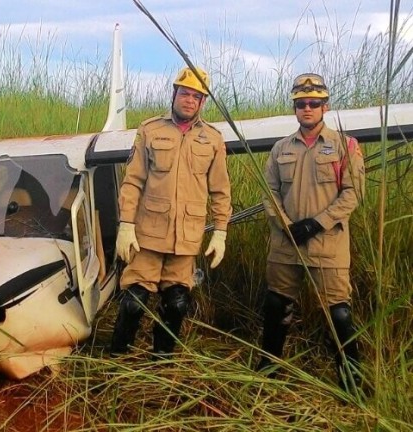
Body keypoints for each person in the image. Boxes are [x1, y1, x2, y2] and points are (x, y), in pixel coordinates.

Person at [109, 66, 232, 358]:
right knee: (133, 303)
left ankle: (161, 361)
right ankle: (117, 358)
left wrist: (220, 232)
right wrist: (126, 224)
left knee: (177, 304)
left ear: (202, 102)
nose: (189, 100)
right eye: (184, 93)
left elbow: (220, 190)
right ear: (174, 94)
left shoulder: (213, 139)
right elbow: (133, 181)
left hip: (186, 238)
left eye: (196, 96)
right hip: (148, 235)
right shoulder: (150, 130)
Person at [256, 73, 365, 391]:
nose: (307, 108)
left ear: (324, 107)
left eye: (314, 103)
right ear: (294, 108)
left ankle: (351, 381)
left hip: (327, 243)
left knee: (338, 313)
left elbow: (353, 194)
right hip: (286, 243)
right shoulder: (280, 149)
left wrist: (317, 223)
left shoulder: (345, 146)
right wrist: (285, 224)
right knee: (276, 305)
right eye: (301, 103)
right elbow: (269, 192)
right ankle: (267, 370)